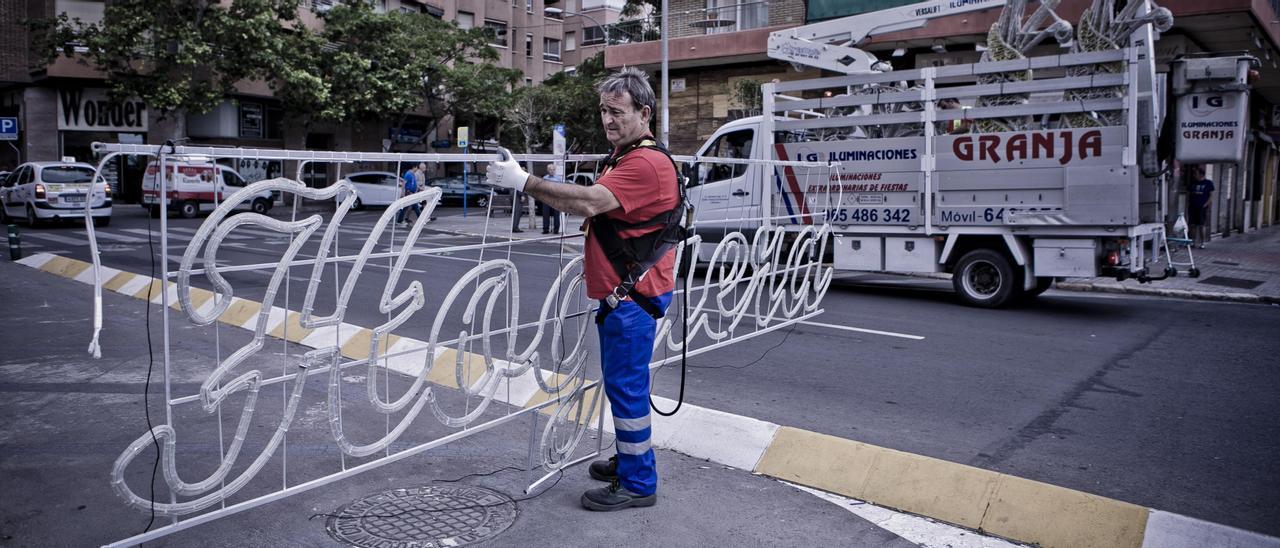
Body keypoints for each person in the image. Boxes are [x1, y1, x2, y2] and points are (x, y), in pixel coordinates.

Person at [486, 67, 680, 512]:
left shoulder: (645, 164)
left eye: (617, 112)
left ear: (644, 113)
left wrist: (525, 183)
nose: (607, 120)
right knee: (622, 387)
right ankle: (631, 462)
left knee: (627, 389)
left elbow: (589, 201)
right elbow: (588, 202)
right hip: (630, 297)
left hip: (633, 299)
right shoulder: (626, 156)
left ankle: (638, 482)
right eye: (603, 111)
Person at [1187, 165, 1214, 248]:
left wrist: (1205, 205)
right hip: (1193, 206)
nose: (1195, 175)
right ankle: (1193, 241)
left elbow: (1211, 196)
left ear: (1201, 174)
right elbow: (1189, 194)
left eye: (1196, 173)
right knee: (1192, 225)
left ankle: (1202, 242)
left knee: (1202, 225)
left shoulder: (1208, 183)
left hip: (1202, 207)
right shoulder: (1193, 183)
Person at [540, 164, 563, 234]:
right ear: (548, 170)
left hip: (556, 198)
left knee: (556, 214)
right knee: (545, 214)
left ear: (555, 170)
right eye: (550, 169)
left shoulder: (559, 178)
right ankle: (545, 229)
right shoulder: (545, 178)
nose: (552, 171)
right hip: (547, 198)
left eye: (553, 169)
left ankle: (556, 229)